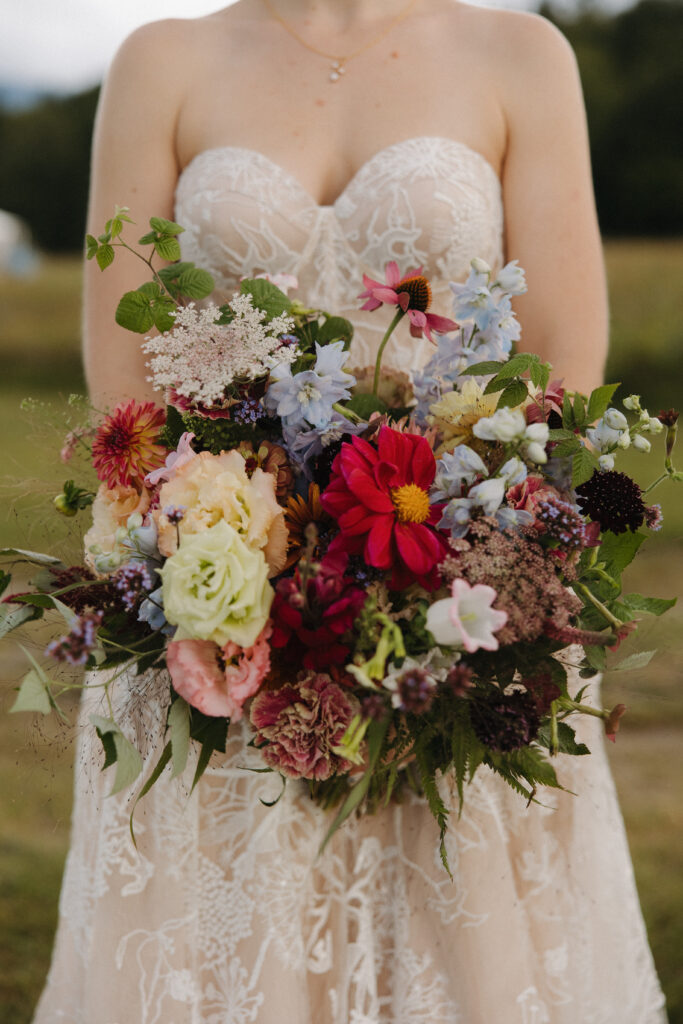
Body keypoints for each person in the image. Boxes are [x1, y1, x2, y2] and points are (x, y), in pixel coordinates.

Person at [34, 1, 667, 1021]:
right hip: (220, 606)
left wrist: (465, 558)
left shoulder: (518, 54)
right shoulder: (163, 59)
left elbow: (560, 362)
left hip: (456, 594)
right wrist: (233, 551)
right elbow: (128, 389)